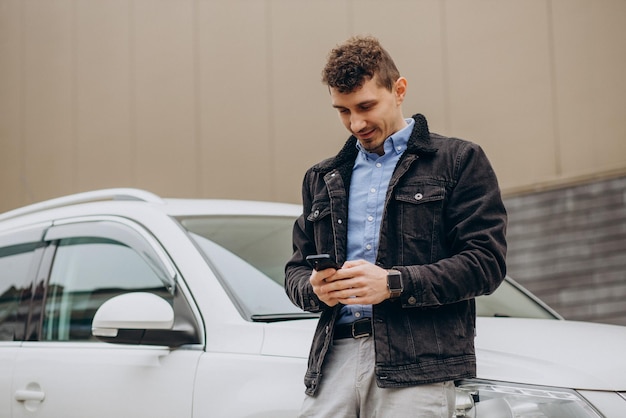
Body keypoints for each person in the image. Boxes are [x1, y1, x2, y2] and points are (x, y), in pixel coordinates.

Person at [284, 35, 507, 418]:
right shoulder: (322, 177)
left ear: (399, 90)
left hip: (418, 367)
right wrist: (313, 288)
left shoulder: (459, 161)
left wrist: (391, 284)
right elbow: (295, 270)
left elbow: (485, 264)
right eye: (343, 111)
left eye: (366, 106)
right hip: (332, 361)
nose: (356, 123)